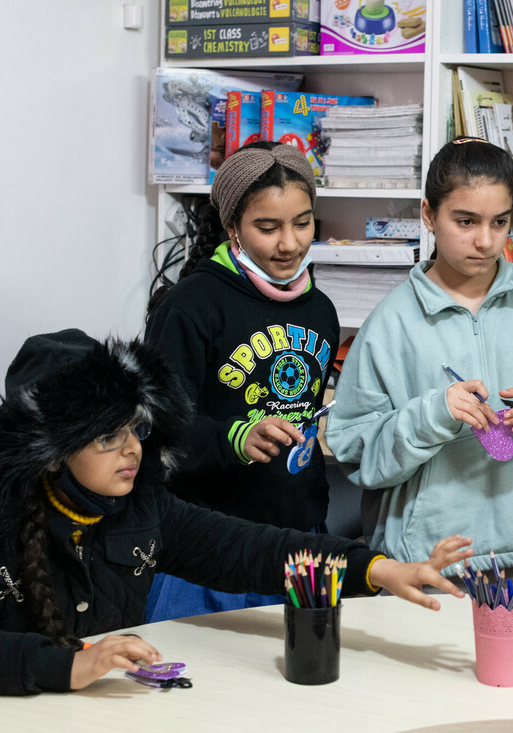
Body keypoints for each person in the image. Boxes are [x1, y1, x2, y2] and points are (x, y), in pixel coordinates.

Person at [0, 329, 472, 696]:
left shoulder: (140, 506)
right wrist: (67, 666)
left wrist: (377, 570)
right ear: (49, 453)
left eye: (136, 430)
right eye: (106, 438)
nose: (132, 451)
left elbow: (256, 550)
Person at [325, 138, 513, 580]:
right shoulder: (390, 323)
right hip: (426, 558)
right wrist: (429, 418)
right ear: (429, 214)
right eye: (465, 221)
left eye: (499, 222)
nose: (485, 241)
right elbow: (353, 454)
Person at [144, 141, 339, 621]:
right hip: (210, 544)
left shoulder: (321, 310)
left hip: (299, 539)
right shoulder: (192, 306)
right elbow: (157, 434)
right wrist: (237, 436)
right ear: (232, 225)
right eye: (267, 228)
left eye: (302, 222)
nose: (289, 244)